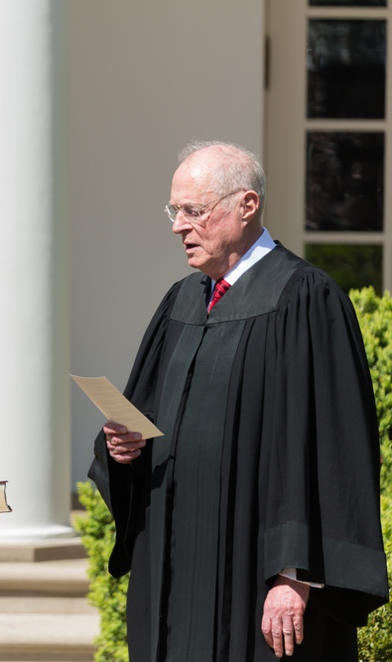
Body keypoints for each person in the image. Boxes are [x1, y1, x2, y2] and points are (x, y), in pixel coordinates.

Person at [90, 141, 389, 661]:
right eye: (174, 211)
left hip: (258, 579)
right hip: (174, 571)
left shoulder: (305, 300)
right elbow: (143, 417)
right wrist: (123, 448)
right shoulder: (180, 302)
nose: (177, 226)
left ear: (246, 205)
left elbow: (334, 450)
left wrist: (295, 575)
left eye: (193, 211)